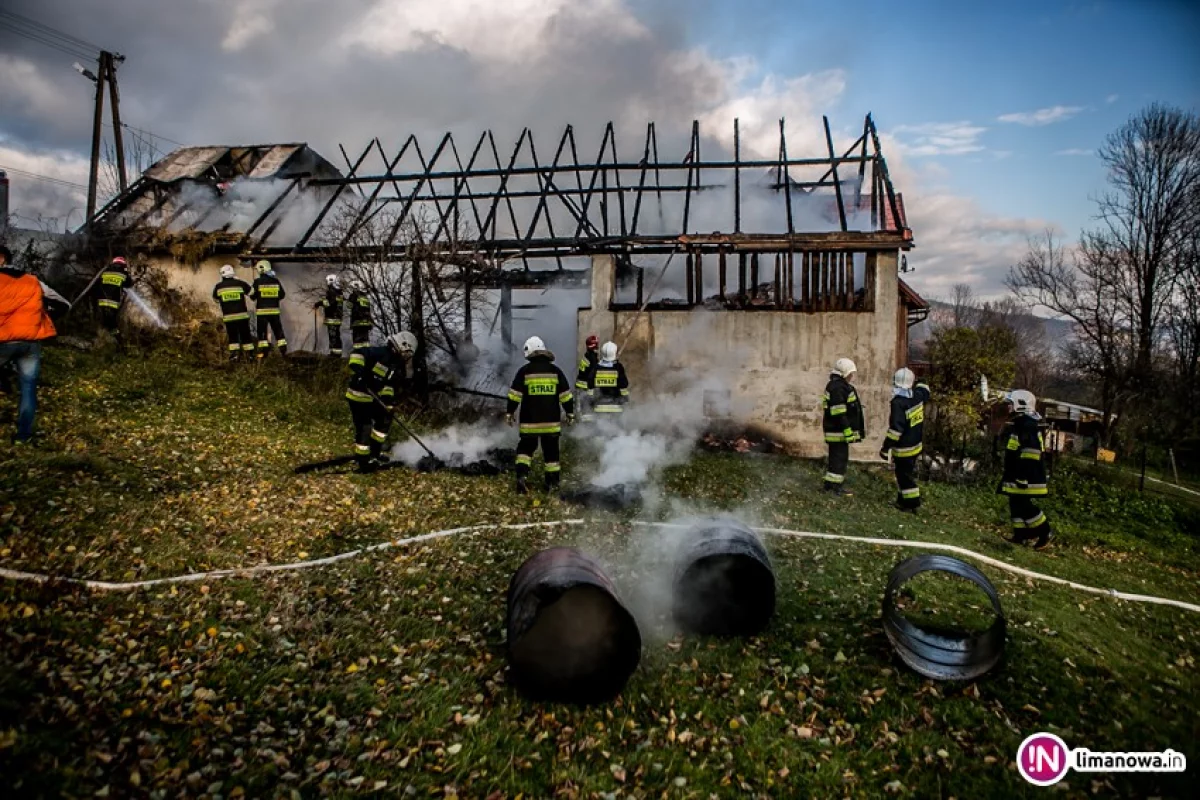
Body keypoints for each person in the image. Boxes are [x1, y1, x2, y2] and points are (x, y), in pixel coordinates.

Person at [0, 245, 69, 444]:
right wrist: (41, 316)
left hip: (3, 342)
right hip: (30, 343)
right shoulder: (33, 281)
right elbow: (64, 304)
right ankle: (24, 435)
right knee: (28, 388)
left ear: (2, 259)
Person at [506, 335, 576, 494]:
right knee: (551, 454)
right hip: (551, 424)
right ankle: (552, 485)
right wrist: (570, 413)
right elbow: (566, 396)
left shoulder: (524, 372)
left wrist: (510, 412)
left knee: (525, 450)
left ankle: (521, 478)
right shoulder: (555, 371)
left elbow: (514, 395)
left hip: (529, 423)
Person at [346, 331, 417, 472]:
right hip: (358, 396)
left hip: (373, 398)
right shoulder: (379, 353)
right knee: (365, 428)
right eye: (407, 352)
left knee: (384, 421)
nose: (407, 356)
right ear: (402, 346)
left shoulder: (394, 365)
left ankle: (374, 454)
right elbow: (357, 354)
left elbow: (388, 386)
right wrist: (360, 373)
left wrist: (389, 405)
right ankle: (363, 462)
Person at [999, 389, 1053, 549]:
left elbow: (1031, 452)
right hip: (1018, 473)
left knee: (1023, 505)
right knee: (1015, 502)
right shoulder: (1021, 423)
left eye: (1010, 403)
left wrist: (1022, 476)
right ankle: (1020, 535)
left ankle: (1045, 531)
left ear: (1020, 404)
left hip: (1026, 475)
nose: (1008, 407)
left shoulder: (1027, 424)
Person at [880, 367, 930, 512]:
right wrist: (921, 381)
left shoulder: (898, 403)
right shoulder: (918, 396)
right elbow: (925, 389)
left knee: (904, 477)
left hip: (903, 449)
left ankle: (912, 504)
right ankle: (902, 502)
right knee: (904, 474)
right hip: (916, 445)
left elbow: (896, 430)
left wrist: (885, 447)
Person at [821, 357, 865, 495]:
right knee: (839, 459)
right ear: (844, 373)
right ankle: (835, 488)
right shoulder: (838, 388)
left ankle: (830, 484)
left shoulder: (837, 386)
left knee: (836, 459)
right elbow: (839, 412)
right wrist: (847, 431)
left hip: (837, 431)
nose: (851, 377)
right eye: (850, 374)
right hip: (839, 432)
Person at [212, 264, 256, 360]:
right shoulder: (240, 283)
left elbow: (215, 299)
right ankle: (250, 355)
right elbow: (252, 293)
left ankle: (234, 355)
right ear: (232, 273)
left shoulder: (219, 287)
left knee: (233, 336)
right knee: (246, 335)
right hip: (242, 316)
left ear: (222, 275)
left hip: (229, 317)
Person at [249, 259, 287, 357]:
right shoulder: (276, 281)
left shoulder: (257, 282)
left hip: (262, 313)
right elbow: (282, 295)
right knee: (278, 330)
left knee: (262, 332)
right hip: (274, 311)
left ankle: (263, 353)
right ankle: (283, 351)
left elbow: (252, 296)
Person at [95, 256, 130, 344]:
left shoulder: (105, 272)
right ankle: (117, 341)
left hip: (102, 301)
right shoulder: (122, 273)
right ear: (123, 265)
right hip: (113, 303)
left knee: (105, 320)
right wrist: (126, 272)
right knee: (112, 322)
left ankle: (103, 338)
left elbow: (97, 284)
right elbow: (129, 284)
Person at [589, 341, 630, 416]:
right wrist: (626, 401)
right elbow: (624, 384)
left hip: (599, 407)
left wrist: (591, 402)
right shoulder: (618, 367)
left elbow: (590, 384)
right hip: (616, 408)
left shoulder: (596, 368)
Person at [315, 274, 345, 357]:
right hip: (338, 318)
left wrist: (319, 303)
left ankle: (334, 354)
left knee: (333, 336)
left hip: (332, 318)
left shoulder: (332, 291)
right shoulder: (340, 292)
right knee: (337, 336)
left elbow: (329, 303)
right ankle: (337, 353)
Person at [575, 333, 599, 421]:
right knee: (587, 409)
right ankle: (586, 427)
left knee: (581, 408)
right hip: (586, 386)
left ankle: (581, 424)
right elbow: (592, 374)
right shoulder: (592, 358)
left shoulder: (587, 356)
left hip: (580, 385)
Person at [348, 279, 372, 351]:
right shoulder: (365, 297)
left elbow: (349, 306)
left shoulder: (353, 295)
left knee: (357, 342)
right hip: (366, 323)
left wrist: (349, 300)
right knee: (365, 341)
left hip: (357, 323)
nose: (352, 290)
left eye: (353, 288)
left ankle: (358, 355)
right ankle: (367, 356)